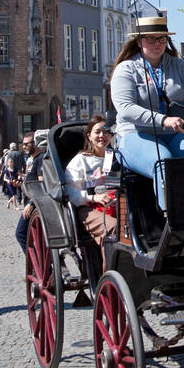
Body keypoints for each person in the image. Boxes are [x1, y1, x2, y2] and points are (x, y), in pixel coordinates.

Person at [110, 13, 184, 213]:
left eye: (161, 38)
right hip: (136, 134)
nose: (157, 43)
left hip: (175, 133)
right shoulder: (126, 69)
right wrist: (163, 120)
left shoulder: (178, 66)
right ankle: (173, 219)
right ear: (139, 41)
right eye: (151, 39)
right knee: (165, 164)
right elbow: (125, 108)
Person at [63, 115, 117, 271]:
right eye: (97, 132)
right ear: (89, 136)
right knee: (112, 228)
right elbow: (70, 192)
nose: (102, 136)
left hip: (114, 203)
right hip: (87, 208)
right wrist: (93, 197)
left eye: (106, 132)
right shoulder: (80, 160)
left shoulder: (115, 157)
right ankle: (109, 278)